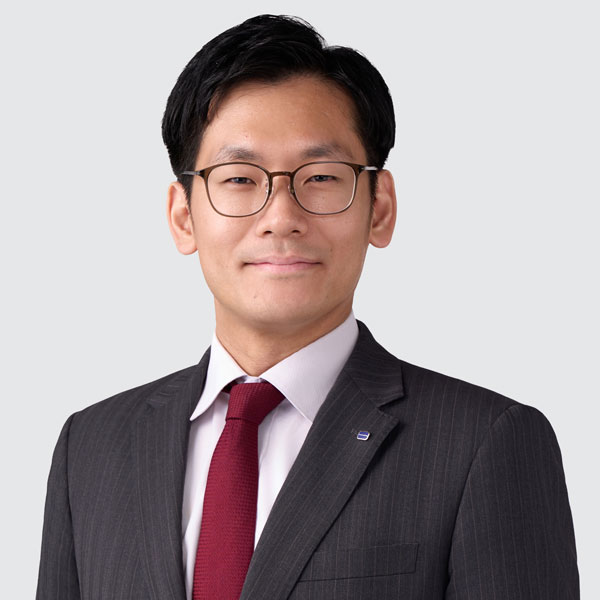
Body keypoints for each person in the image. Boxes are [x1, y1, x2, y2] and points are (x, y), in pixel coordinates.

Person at [36, 14, 579, 600]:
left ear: (379, 208)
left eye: (320, 177)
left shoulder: (485, 445)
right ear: (183, 215)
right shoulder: (90, 448)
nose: (281, 217)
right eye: (239, 179)